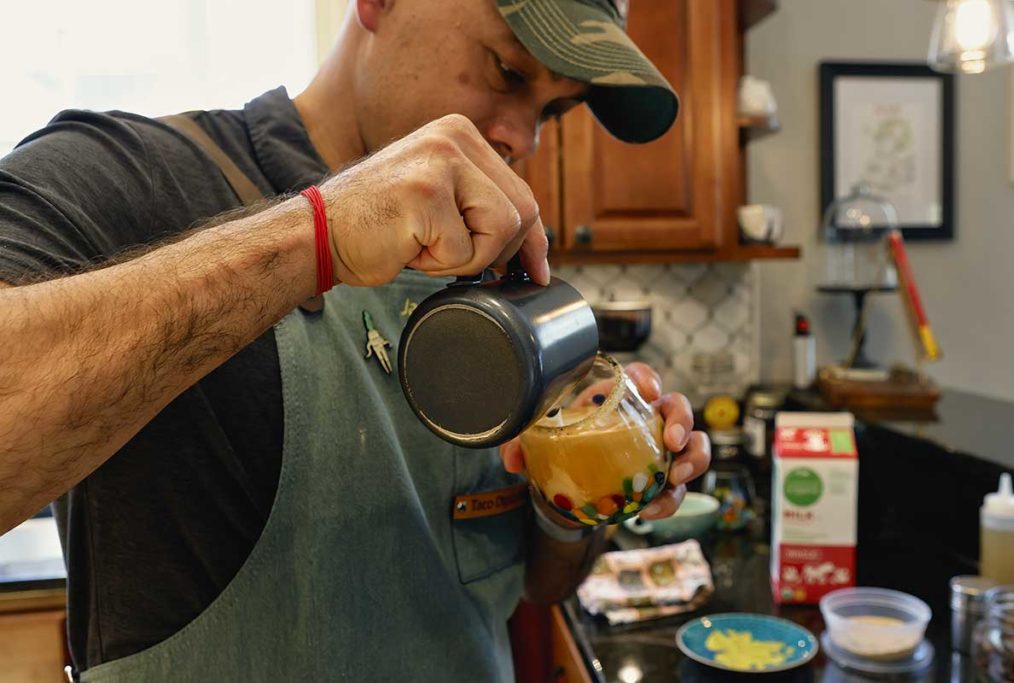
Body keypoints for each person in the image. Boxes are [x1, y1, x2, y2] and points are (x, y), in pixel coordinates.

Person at [0, 0, 711, 680]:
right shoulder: (130, 179)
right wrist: (318, 234)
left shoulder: (490, 262)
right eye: (508, 71)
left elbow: (536, 580)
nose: (522, 140)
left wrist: (580, 484)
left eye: (553, 110)